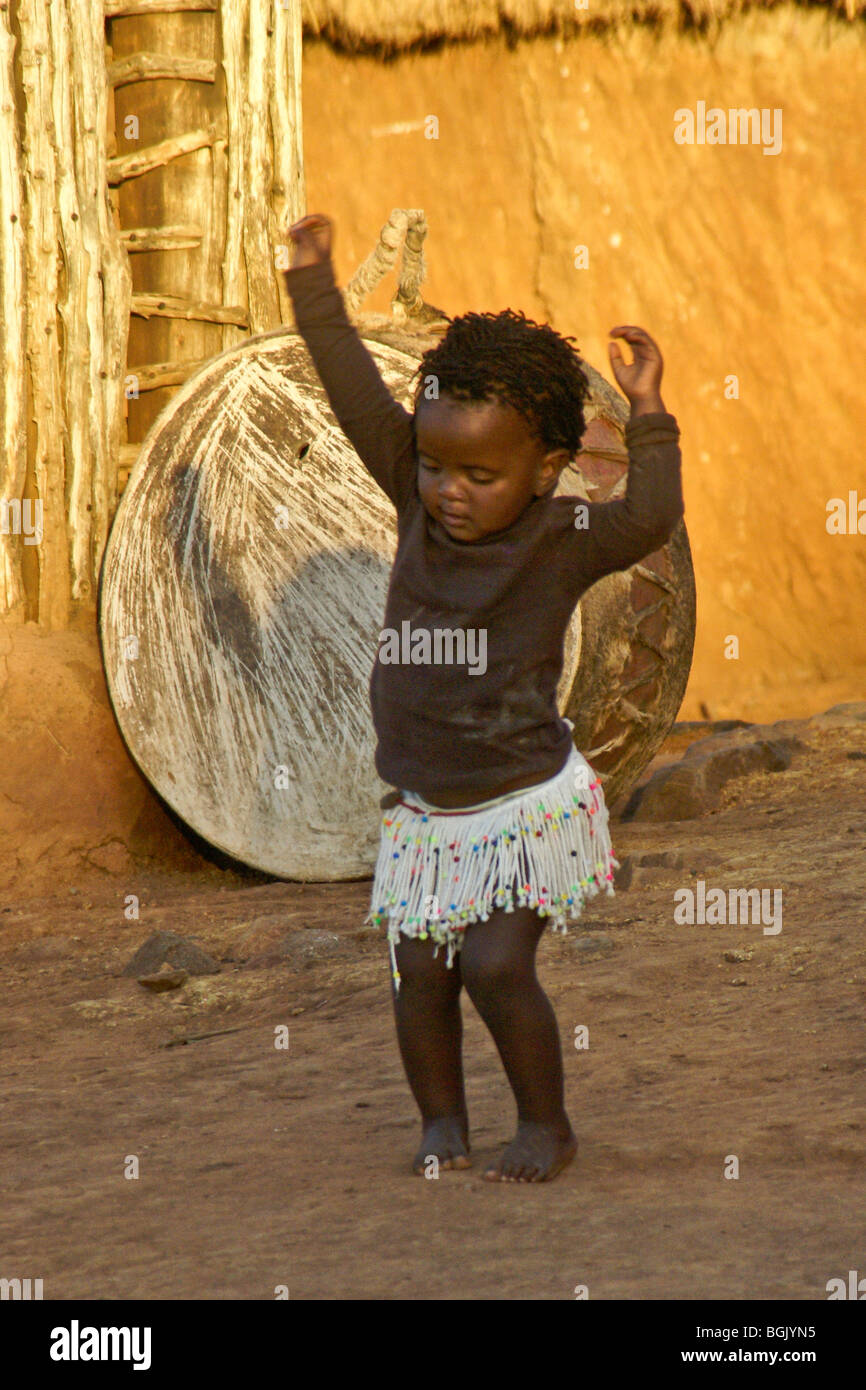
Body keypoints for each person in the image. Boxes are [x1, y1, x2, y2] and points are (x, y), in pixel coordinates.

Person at [283, 213, 684, 1182]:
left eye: (477, 472)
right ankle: (440, 1121)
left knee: (497, 967)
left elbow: (648, 515)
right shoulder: (414, 499)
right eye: (431, 462)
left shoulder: (562, 537)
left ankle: (544, 1123)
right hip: (425, 812)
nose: (447, 490)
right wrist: (313, 287)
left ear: (543, 471)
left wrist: (648, 413)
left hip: (519, 808)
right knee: (416, 973)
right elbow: (350, 393)